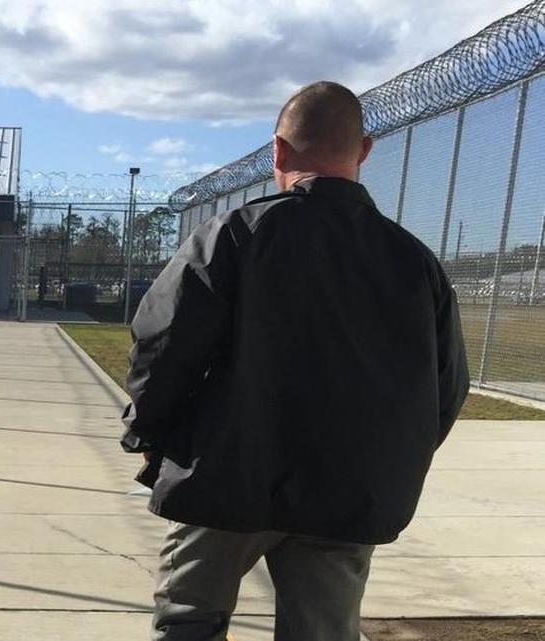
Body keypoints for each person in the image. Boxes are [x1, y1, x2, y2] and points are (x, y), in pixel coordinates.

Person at [122, 81, 469, 641]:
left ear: (278, 152)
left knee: (189, 622)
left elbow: (161, 348)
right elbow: (447, 387)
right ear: (363, 150)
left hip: (224, 476)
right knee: (324, 631)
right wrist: (382, 462)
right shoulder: (413, 262)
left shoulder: (234, 236)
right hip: (350, 488)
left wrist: (151, 435)